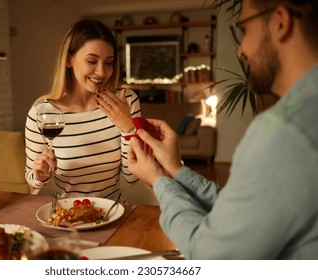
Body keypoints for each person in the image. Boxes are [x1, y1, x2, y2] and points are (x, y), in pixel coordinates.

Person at [128, 0, 318, 259]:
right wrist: (174, 168)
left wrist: (158, 180)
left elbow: (211, 255)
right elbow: (242, 210)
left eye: (245, 30)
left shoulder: (286, 130)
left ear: (280, 22)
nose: (241, 50)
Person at [25, 19, 140, 200]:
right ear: (69, 60)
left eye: (108, 63)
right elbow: (32, 180)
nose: (101, 72)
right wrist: (41, 175)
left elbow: (132, 177)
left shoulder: (126, 102)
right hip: (65, 218)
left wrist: (128, 129)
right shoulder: (41, 113)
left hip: (114, 213)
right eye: (92, 61)